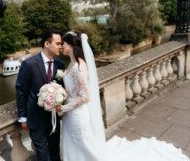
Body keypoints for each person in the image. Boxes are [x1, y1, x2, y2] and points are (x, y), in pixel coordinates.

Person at [56, 31, 190, 161]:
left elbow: (85, 97)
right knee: (76, 145)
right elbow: (73, 90)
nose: (62, 46)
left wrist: (63, 108)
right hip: (71, 114)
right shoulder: (71, 65)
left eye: (64, 43)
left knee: (84, 145)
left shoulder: (79, 68)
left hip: (77, 114)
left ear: (72, 45)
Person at [16, 30, 65, 161]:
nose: (61, 46)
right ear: (47, 44)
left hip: (53, 118)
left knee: (55, 150)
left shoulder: (60, 65)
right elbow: (21, 91)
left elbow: (62, 89)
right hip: (35, 118)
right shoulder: (29, 64)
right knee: (43, 154)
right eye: (58, 43)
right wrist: (22, 117)